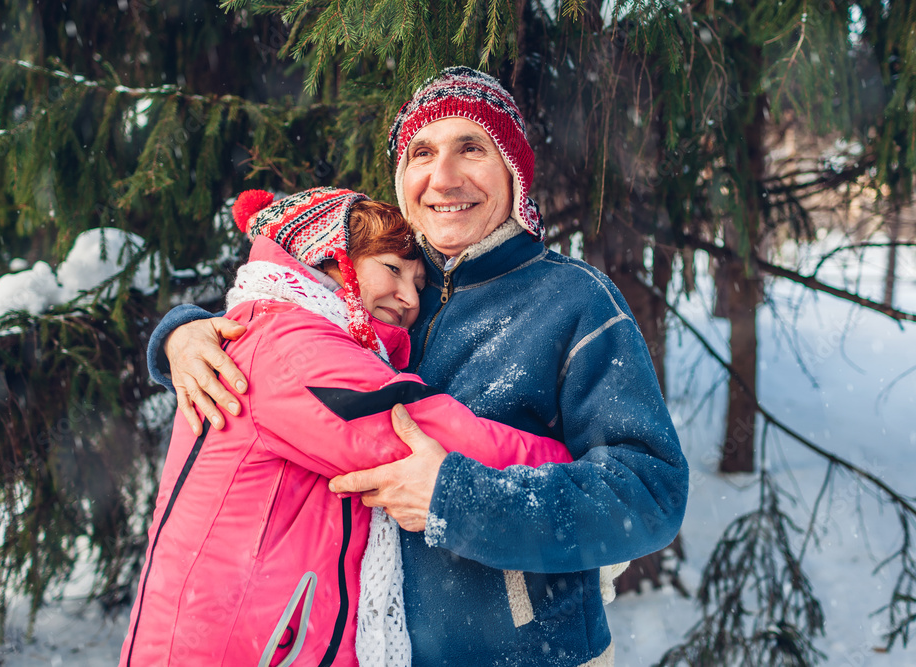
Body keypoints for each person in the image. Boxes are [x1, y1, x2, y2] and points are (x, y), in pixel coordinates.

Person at [149, 68, 688, 666]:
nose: (445, 177)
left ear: (513, 172)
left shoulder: (576, 301)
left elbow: (649, 492)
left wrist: (462, 499)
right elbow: (288, 323)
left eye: (472, 148)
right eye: (423, 153)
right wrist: (186, 331)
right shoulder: (382, 286)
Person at [121, 186, 574, 666]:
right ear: (328, 258)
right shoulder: (292, 348)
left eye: (418, 283)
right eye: (392, 269)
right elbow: (416, 432)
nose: (407, 298)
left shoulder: (278, 325)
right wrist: (572, 465)